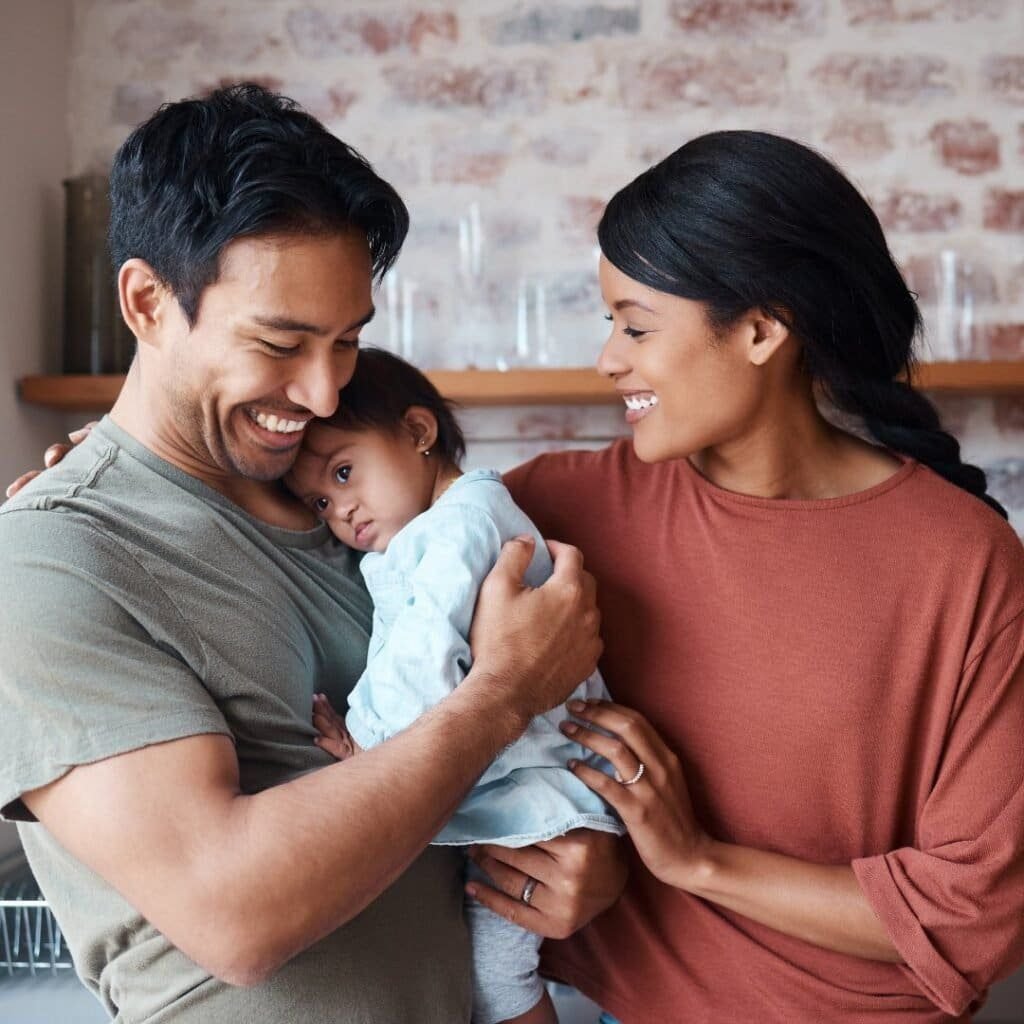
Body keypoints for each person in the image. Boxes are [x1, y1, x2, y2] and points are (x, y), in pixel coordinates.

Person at [0, 85, 626, 1024]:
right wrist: (500, 697)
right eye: (282, 342)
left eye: (347, 341)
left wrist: (591, 860)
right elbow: (233, 912)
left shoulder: (348, 501)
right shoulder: (52, 558)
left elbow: (484, 793)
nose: (327, 392)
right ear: (147, 303)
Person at [499, 131, 1024, 1023]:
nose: (608, 360)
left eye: (635, 325)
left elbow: (976, 914)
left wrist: (696, 858)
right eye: (608, 324)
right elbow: (420, 730)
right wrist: (551, 857)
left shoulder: (966, 561)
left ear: (758, 329)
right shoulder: (544, 515)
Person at [285, 346, 624, 1024]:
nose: (341, 510)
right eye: (321, 499)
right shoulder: (440, 528)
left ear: (417, 433)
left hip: (539, 801)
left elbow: (425, 657)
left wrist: (367, 754)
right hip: (525, 789)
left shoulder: (460, 529)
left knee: (498, 983)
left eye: (345, 471)